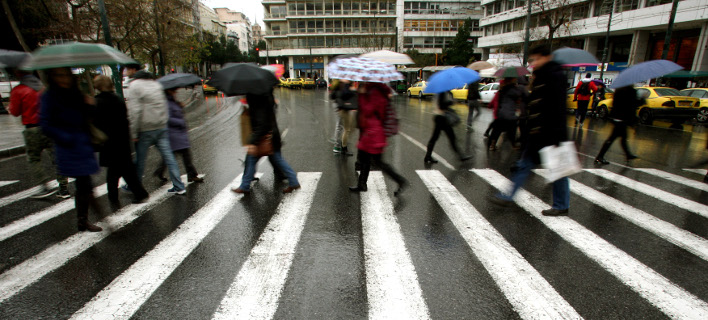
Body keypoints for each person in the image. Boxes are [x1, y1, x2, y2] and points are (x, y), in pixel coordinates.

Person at [490, 45, 570, 216]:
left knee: (559, 171)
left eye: (536, 59)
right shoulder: (541, 76)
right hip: (536, 133)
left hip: (551, 134)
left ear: (546, 57)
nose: (533, 63)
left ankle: (562, 205)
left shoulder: (555, 76)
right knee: (524, 165)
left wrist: (557, 137)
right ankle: (507, 196)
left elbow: (558, 109)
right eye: (532, 60)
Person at [40, 68, 102, 232]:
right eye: (59, 75)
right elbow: (45, 125)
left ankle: (85, 220)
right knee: (85, 184)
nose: (64, 79)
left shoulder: (76, 94)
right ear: (52, 77)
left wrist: (90, 105)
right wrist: (66, 137)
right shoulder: (49, 97)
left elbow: (89, 118)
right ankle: (90, 221)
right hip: (68, 146)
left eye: (66, 75)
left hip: (83, 144)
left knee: (85, 185)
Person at [124, 64, 186, 195]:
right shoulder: (157, 85)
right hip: (161, 126)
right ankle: (179, 185)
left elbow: (135, 111)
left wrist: (133, 132)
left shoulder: (134, 86)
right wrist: (163, 122)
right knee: (169, 158)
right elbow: (164, 106)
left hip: (145, 128)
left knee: (140, 160)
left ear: (134, 72)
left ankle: (135, 187)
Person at [8, 70, 70, 198]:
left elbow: (15, 112)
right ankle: (63, 188)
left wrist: (11, 107)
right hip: (49, 127)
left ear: (19, 74)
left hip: (32, 129)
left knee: (34, 158)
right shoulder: (44, 89)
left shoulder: (19, 90)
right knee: (57, 158)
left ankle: (44, 186)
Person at [93, 75, 149, 205]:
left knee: (116, 172)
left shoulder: (98, 102)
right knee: (124, 170)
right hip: (122, 140)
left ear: (99, 87)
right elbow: (125, 119)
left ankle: (116, 197)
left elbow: (97, 123)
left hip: (109, 142)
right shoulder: (118, 99)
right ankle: (137, 193)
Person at [232, 89, 300, 194]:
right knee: (277, 160)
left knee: (251, 160)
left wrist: (252, 142)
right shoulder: (265, 98)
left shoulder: (258, 103)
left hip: (265, 139)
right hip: (271, 137)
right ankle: (294, 181)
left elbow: (262, 125)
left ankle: (244, 186)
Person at [349, 82, 407, 195]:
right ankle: (362, 184)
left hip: (374, 133)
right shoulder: (374, 90)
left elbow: (367, 110)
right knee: (364, 158)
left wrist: (361, 95)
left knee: (378, 162)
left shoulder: (375, 92)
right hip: (370, 130)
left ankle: (400, 181)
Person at [153, 88, 204, 183]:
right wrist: (180, 122)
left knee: (172, 156)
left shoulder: (173, 102)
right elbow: (167, 118)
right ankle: (192, 175)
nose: (175, 92)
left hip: (179, 134)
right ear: (169, 91)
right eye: (174, 91)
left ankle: (160, 171)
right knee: (184, 156)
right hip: (174, 134)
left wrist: (179, 107)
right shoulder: (166, 103)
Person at [594, 85, 643, 165]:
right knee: (613, 138)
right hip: (622, 118)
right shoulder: (630, 91)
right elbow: (632, 105)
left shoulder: (619, 89)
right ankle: (599, 157)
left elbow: (614, 103)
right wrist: (642, 99)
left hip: (617, 117)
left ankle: (628, 154)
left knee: (622, 138)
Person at [424, 92, 471, 163]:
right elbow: (442, 105)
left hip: (438, 117)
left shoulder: (439, 92)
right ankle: (461, 156)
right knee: (451, 137)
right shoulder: (441, 93)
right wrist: (451, 102)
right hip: (441, 117)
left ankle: (428, 156)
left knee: (435, 138)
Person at [487, 78, 527, 151]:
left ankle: (492, 145)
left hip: (501, 113)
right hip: (510, 114)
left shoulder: (502, 90)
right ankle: (513, 145)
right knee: (512, 129)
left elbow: (499, 101)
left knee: (497, 130)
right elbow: (519, 100)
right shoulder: (515, 90)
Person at [330, 79, 357, 156]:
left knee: (344, 127)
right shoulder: (342, 83)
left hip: (342, 106)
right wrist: (351, 89)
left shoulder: (341, 83)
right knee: (344, 128)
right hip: (342, 107)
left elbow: (333, 95)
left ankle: (341, 144)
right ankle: (340, 146)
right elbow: (343, 94)